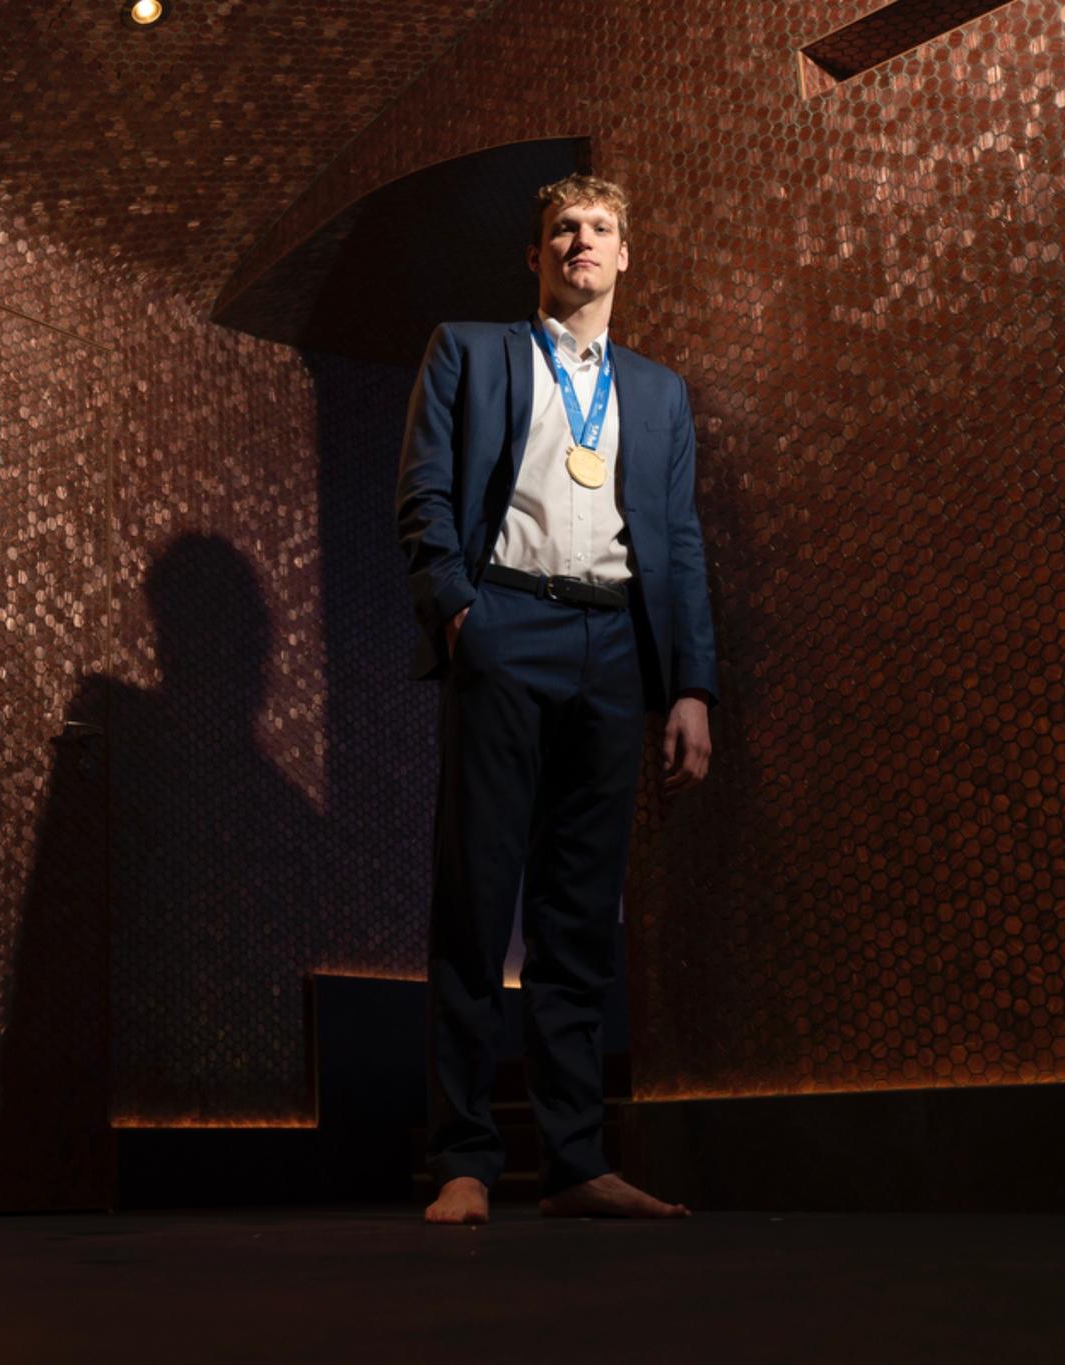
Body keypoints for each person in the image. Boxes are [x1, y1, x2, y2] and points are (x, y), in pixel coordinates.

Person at [394, 174, 717, 1224]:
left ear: (625, 256)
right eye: (560, 230)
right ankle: (463, 1162)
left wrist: (689, 687)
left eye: (599, 228)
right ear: (535, 259)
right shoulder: (469, 349)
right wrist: (454, 612)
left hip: (614, 648)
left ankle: (577, 1163)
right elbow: (426, 493)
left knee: (580, 915)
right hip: (503, 626)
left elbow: (676, 543)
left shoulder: (660, 393)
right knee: (477, 899)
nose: (580, 241)